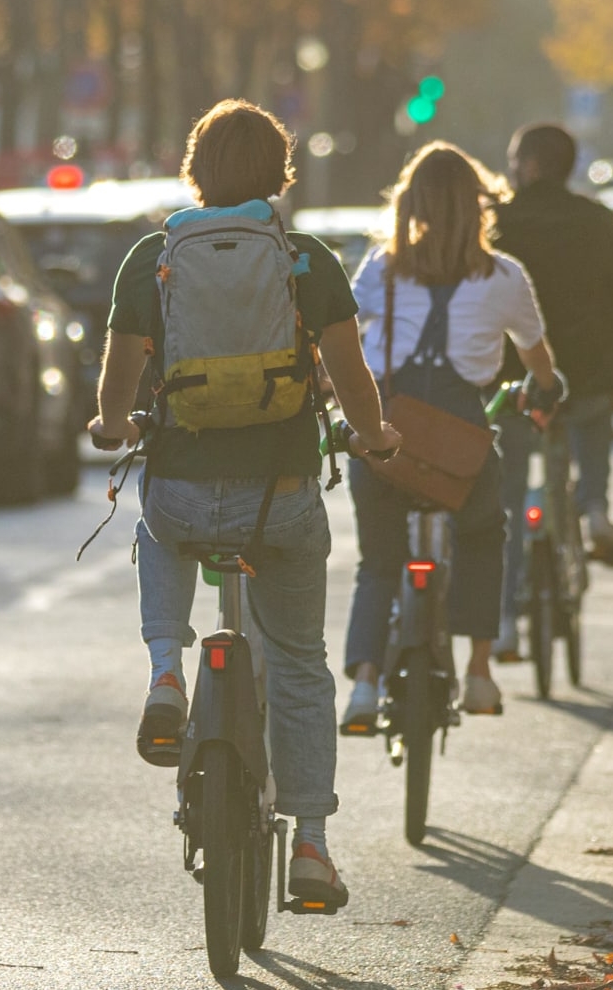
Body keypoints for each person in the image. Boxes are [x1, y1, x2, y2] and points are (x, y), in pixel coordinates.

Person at [89, 99, 398, 912]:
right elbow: (352, 377)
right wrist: (375, 438)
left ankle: (166, 669)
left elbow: (118, 383)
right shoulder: (305, 260)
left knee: (157, 527)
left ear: (195, 171)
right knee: (298, 663)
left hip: (184, 496)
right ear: (279, 175)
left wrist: (112, 424)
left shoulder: (153, 258)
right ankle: (312, 847)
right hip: (281, 501)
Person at [342, 142, 560, 729]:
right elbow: (535, 354)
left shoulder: (381, 268)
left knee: (378, 561)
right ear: (477, 204)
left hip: (384, 435)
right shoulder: (505, 275)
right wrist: (548, 386)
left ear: (409, 203)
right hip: (460, 439)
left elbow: (341, 333)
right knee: (484, 534)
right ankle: (480, 672)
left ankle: (364, 685)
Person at [488, 124, 613, 670]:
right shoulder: (598, 221)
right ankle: (595, 508)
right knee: (593, 423)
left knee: (507, 501)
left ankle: (504, 623)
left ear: (530, 166)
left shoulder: (497, 223)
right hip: (587, 371)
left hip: (513, 378)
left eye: (514, 160)